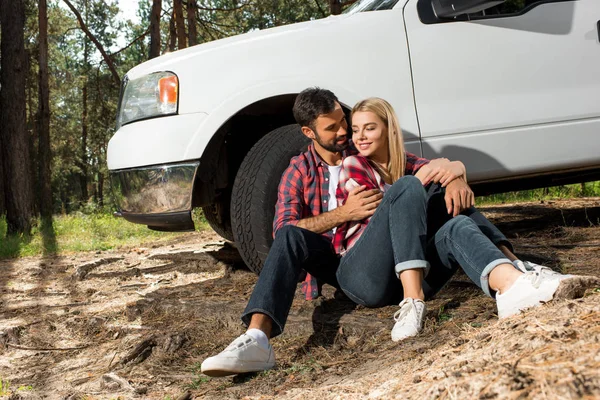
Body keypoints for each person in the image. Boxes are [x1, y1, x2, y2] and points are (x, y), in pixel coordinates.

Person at [200, 88, 597, 377]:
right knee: (296, 234)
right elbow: (284, 232)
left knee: (453, 217)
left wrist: (456, 173)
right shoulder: (299, 171)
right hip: (349, 267)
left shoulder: (376, 157)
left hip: (403, 260)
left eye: (346, 122)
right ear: (309, 133)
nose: (344, 133)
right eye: (333, 128)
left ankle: (514, 282)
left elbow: (433, 166)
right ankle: (257, 340)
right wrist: (343, 213)